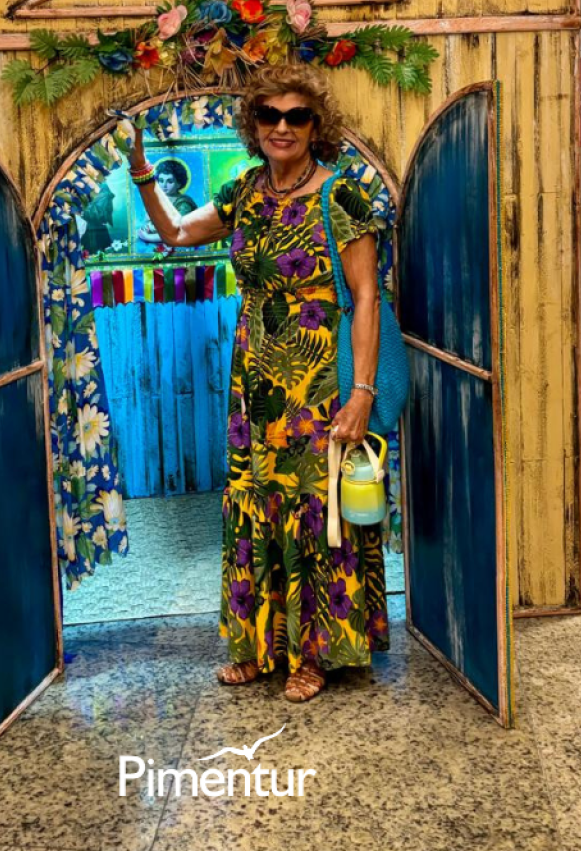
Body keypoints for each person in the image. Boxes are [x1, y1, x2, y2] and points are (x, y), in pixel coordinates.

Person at [125, 64, 389, 702]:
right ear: (254, 124)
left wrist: (361, 393)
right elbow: (176, 233)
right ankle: (260, 646)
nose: (282, 127)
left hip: (317, 381)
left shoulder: (340, 196)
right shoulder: (245, 190)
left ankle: (314, 653)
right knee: (255, 501)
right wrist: (141, 171)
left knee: (316, 508)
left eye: (297, 116)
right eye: (270, 115)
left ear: (315, 126)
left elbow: (365, 295)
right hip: (253, 382)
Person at [137, 159, 198, 245]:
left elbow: (177, 230)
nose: (164, 185)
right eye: (161, 180)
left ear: (179, 183)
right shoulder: (156, 200)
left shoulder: (184, 203)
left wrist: (148, 237)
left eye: (169, 181)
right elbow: (147, 223)